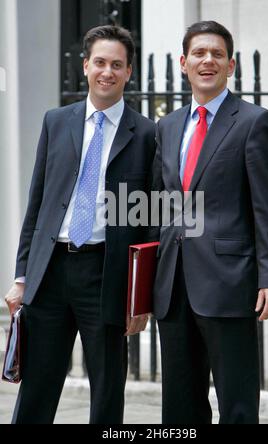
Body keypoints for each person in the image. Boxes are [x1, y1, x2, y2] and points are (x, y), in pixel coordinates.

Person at [4, 25, 156, 424]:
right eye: (100, 62)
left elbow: (151, 222)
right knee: (37, 385)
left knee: (107, 389)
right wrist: (22, 275)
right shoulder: (56, 121)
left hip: (106, 273)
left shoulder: (147, 135)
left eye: (117, 65)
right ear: (86, 66)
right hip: (51, 269)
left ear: (128, 72)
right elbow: (36, 207)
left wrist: (140, 298)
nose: (108, 71)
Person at [152, 21, 268, 424]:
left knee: (238, 404)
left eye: (216, 54)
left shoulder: (253, 121)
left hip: (231, 283)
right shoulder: (168, 126)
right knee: (179, 406)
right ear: (183, 63)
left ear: (231, 65)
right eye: (198, 53)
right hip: (173, 287)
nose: (206, 61)